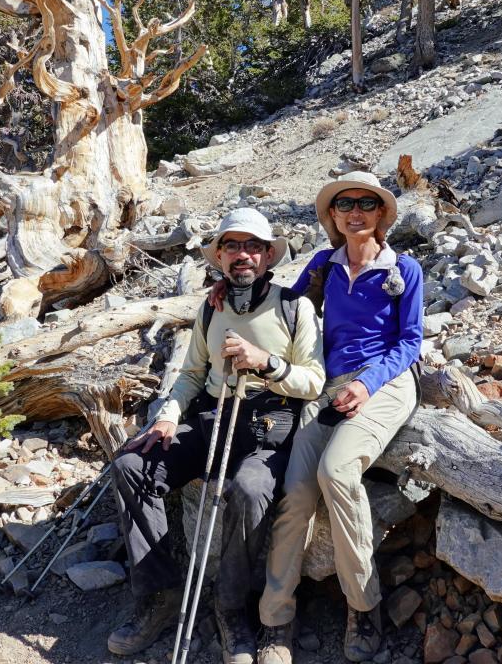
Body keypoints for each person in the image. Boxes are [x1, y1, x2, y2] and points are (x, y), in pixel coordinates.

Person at [107, 208, 325, 664]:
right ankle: (160, 594)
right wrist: (167, 416)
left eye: (252, 246)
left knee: (250, 488)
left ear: (267, 255)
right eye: (232, 246)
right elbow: (190, 375)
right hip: (214, 418)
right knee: (131, 466)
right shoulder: (212, 307)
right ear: (220, 257)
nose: (242, 255)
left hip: (269, 425)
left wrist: (265, 363)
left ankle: (232, 610)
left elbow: (313, 381)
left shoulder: (295, 306)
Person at [256, 171, 424, 664]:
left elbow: (410, 341)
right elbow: (287, 311)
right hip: (328, 384)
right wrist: (228, 293)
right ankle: (275, 619)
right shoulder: (324, 266)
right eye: (344, 203)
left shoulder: (404, 269)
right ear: (332, 215)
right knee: (296, 490)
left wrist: (367, 384)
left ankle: (363, 605)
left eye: (366, 204)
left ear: (380, 214)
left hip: (385, 381)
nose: (355, 211)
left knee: (336, 471)